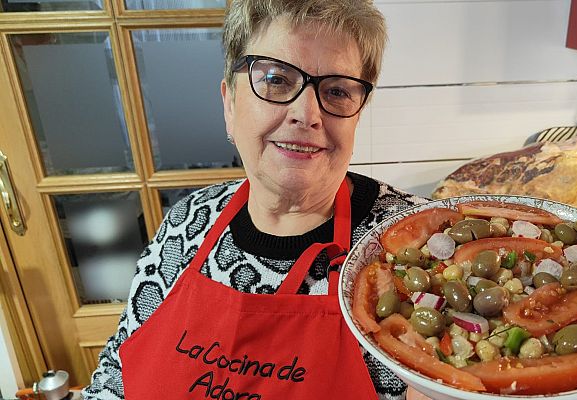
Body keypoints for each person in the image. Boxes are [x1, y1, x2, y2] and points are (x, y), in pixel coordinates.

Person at [82, 0, 427, 399]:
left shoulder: (409, 247)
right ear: (229, 103)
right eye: (277, 79)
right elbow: (117, 372)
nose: (307, 114)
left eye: (335, 91)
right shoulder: (189, 221)